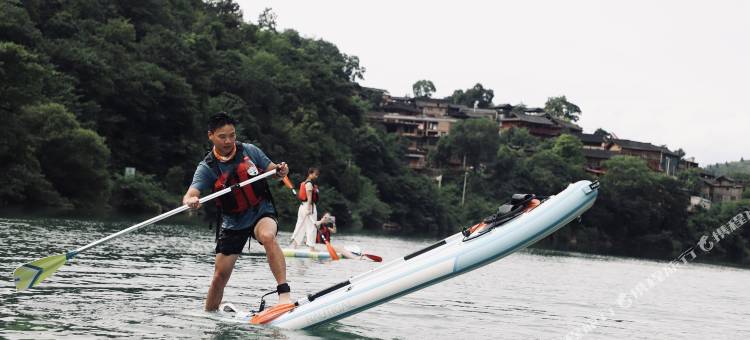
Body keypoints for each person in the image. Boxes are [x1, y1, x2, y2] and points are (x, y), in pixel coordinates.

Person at [183, 112, 291, 311]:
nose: (228, 141)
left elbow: (273, 171)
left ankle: (284, 295)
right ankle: (210, 314)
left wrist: (280, 171)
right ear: (211, 136)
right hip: (234, 222)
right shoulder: (207, 167)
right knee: (219, 276)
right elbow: (191, 193)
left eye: (232, 135)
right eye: (222, 136)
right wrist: (191, 200)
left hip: (261, 211)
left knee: (267, 235)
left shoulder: (250, 150)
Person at [290, 168, 320, 250]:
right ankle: (311, 248)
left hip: (302, 207)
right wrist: (309, 209)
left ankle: (295, 246)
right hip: (309, 207)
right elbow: (309, 198)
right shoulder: (309, 184)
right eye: (315, 174)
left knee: (300, 225)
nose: (316, 176)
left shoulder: (305, 183)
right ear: (310, 173)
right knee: (312, 226)